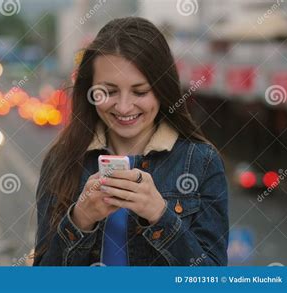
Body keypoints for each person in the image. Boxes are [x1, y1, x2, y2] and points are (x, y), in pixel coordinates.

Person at [33, 17, 229, 266]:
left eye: (140, 92)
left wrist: (160, 215)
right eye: (109, 91)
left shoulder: (202, 162)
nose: (124, 107)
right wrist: (80, 219)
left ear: (162, 89)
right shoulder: (62, 158)